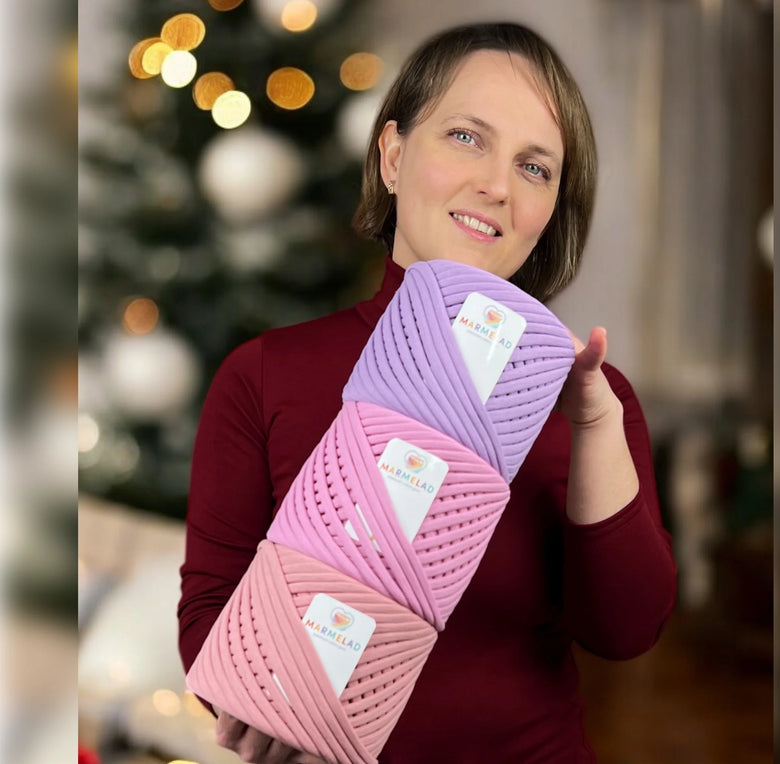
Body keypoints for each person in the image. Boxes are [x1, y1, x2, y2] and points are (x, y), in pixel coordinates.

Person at [178, 22, 676, 764]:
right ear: (393, 155)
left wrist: (598, 422)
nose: (498, 186)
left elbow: (625, 632)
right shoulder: (264, 376)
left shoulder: (592, 402)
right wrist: (272, 705)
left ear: (549, 214)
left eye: (536, 168)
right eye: (467, 138)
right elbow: (210, 617)